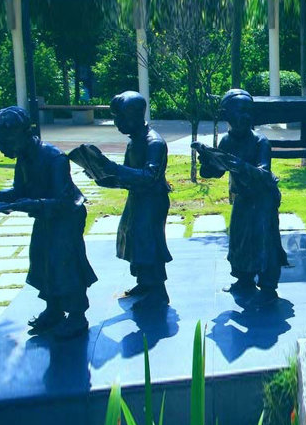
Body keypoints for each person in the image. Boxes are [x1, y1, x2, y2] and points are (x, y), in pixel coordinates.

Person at [0, 107, 96, 338]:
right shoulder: (24, 157)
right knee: (42, 260)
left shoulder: (55, 158)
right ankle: (53, 309)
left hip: (67, 217)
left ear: (22, 134)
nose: (0, 147)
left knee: (64, 263)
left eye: (3, 141)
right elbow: (19, 191)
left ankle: (77, 316)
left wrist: (24, 204)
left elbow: (63, 202)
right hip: (45, 215)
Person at [194, 89, 287, 307]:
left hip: (263, 199)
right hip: (243, 197)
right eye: (240, 111)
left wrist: (240, 165)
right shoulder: (227, 141)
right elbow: (217, 171)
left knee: (265, 241)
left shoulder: (260, 141)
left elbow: (264, 172)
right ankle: (244, 278)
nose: (246, 116)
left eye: (249, 111)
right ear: (226, 114)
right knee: (240, 239)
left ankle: (268, 286)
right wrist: (207, 162)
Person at [87, 91, 172, 304]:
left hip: (152, 201)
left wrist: (113, 168)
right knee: (134, 240)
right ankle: (144, 282)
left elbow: (150, 176)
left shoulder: (154, 142)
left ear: (134, 115)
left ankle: (157, 290)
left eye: (120, 117)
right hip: (138, 198)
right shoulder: (134, 141)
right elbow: (127, 174)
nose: (117, 122)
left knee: (149, 242)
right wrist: (102, 177)